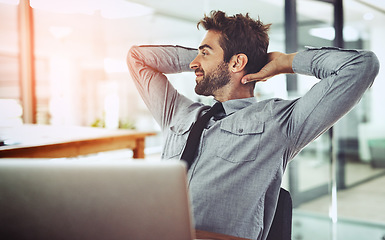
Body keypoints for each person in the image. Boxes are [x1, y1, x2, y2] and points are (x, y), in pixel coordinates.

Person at [127, 10, 379, 240]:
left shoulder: (278, 122)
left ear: (237, 63)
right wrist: (203, 59)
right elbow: (138, 58)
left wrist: (285, 62)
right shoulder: (178, 112)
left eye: (204, 53)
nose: (194, 63)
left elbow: (361, 66)